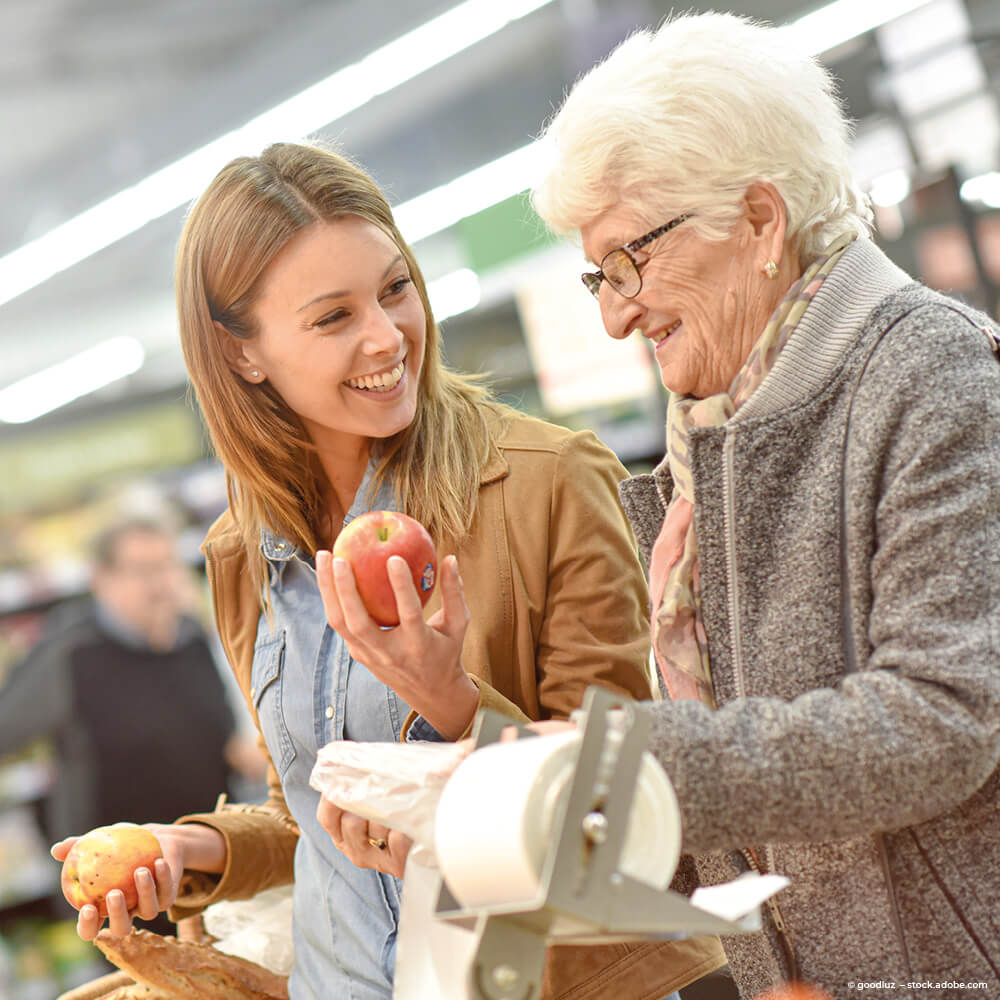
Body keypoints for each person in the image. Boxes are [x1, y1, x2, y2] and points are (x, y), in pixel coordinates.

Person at [52, 142, 727, 1000]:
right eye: (333, 317)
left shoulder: (546, 481)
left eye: (396, 288)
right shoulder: (243, 551)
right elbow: (312, 813)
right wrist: (201, 849)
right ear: (240, 354)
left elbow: (625, 810)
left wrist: (451, 703)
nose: (387, 335)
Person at [524, 11, 1000, 999]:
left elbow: (946, 716)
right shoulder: (713, 442)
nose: (613, 313)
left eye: (626, 262)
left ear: (757, 220)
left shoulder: (932, 371)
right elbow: (746, 813)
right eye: (595, 274)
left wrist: (645, 760)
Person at [1, 516, 241, 935]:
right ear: (102, 580)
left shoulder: (191, 637)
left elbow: (220, 729)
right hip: (114, 889)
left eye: (167, 566)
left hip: (202, 867)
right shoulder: (72, 654)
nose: (161, 583)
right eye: (143, 570)